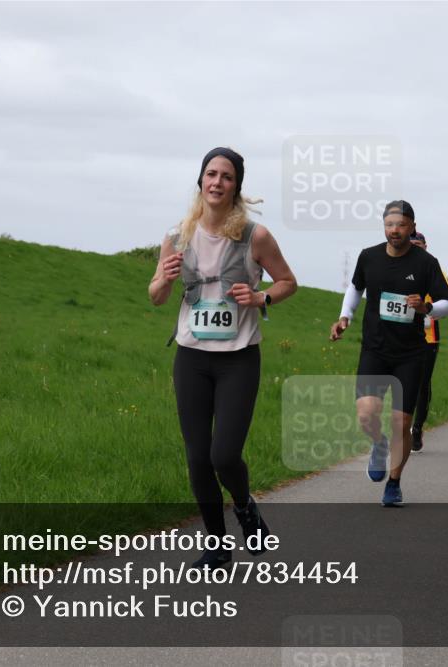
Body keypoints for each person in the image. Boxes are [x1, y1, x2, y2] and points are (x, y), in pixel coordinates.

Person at [150, 147, 297, 569]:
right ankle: (217, 544)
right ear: (201, 181)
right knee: (197, 457)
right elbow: (157, 298)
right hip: (192, 358)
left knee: (223, 456)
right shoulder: (178, 235)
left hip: (238, 359)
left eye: (226, 177)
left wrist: (261, 296)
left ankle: (246, 508)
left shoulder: (256, 237)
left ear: (236, 187)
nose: (216, 182)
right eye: (210, 174)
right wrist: (163, 279)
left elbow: (288, 282)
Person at [329, 201, 448, 506]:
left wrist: (426, 308)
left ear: (412, 226)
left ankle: (394, 483)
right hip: (375, 349)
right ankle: (378, 443)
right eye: (389, 225)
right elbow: (356, 288)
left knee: (401, 422)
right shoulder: (369, 256)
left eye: (400, 225)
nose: (394, 231)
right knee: (366, 414)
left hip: (411, 354)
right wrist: (345, 316)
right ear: (383, 226)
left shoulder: (426, 262)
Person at [408, 231, 448, 452]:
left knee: (422, 384)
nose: (414, 248)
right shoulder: (398, 267)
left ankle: (417, 427)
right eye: (411, 244)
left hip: (428, 336)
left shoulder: (435, 270)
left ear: (426, 246)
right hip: (401, 334)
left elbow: (445, 303)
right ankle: (402, 424)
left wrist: (429, 311)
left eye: (418, 245)